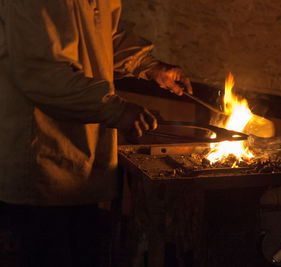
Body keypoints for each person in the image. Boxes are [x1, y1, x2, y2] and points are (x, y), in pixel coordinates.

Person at [0, 0, 192, 266]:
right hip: (41, 161)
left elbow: (104, 33)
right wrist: (116, 110)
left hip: (81, 163)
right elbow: (42, 73)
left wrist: (149, 65)